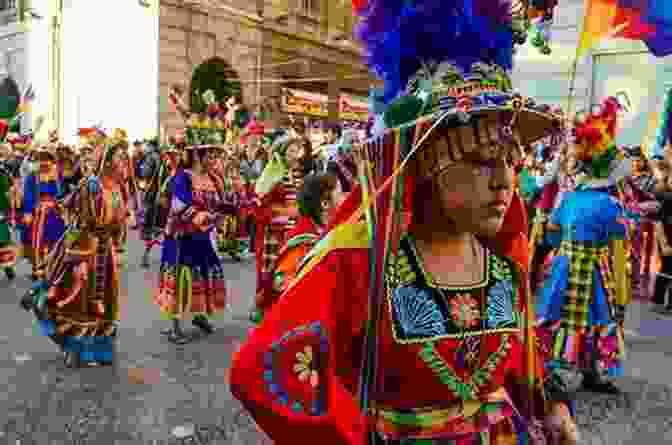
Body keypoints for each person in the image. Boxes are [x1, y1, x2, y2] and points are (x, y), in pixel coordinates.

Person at [231, 0, 578, 443]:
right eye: (479, 160)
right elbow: (262, 372)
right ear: (425, 165)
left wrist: (551, 405)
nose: (504, 182)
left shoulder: (501, 258)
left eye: (511, 160)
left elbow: (522, 356)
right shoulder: (360, 261)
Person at [538, 97, 628, 395]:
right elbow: (617, 253)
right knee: (600, 318)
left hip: (564, 267)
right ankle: (591, 372)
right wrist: (622, 292)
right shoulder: (612, 206)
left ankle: (549, 370)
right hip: (595, 271)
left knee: (557, 315)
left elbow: (551, 234)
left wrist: (559, 248)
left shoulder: (570, 199)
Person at [22, 132, 127, 368]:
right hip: (85, 250)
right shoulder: (92, 186)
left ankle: (97, 350)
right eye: (120, 159)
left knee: (104, 302)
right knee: (75, 300)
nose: (125, 165)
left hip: (104, 253)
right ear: (108, 162)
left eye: (125, 159)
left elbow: (118, 224)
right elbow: (79, 222)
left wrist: (116, 242)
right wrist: (76, 258)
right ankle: (73, 347)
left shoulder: (118, 189)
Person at [153, 144, 238, 344]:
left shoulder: (214, 178)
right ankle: (175, 326)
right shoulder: (183, 177)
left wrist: (227, 209)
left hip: (202, 235)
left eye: (215, 156)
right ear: (197, 157)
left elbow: (219, 202)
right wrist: (199, 216)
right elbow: (178, 205)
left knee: (202, 273)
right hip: (181, 237)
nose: (213, 160)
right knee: (180, 276)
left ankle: (199, 315)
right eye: (210, 156)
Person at [250, 133, 314, 321]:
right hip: (274, 234)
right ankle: (262, 306)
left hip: (293, 232)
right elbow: (260, 206)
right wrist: (285, 214)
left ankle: (281, 308)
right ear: (282, 153)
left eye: (297, 150)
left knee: (288, 270)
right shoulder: (272, 175)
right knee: (271, 271)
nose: (296, 155)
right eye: (291, 151)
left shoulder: (296, 176)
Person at [20, 145, 67, 279]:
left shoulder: (57, 176)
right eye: (41, 159)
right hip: (37, 212)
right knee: (35, 239)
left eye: (47, 159)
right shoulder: (32, 176)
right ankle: (36, 267)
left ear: (52, 161)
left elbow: (61, 193)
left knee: (55, 239)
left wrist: (58, 204)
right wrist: (28, 211)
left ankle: (52, 265)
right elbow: (28, 195)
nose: (44, 162)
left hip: (53, 212)